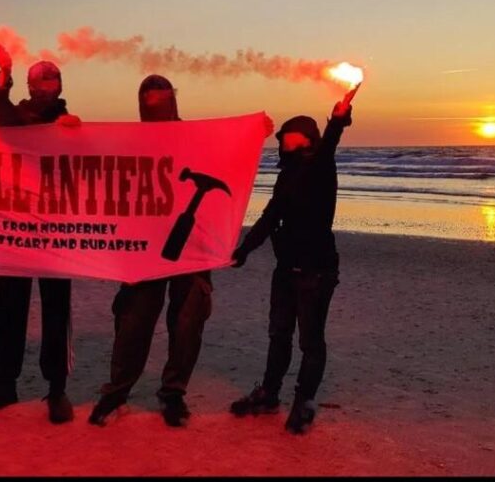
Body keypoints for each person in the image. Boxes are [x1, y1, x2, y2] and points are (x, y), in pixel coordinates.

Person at [0, 34, 80, 424]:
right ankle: (5, 383)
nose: (47, 86)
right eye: (40, 80)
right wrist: (3, 73)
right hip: (14, 226)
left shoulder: (71, 125)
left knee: (56, 308)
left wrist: (76, 135)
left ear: (60, 86)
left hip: (55, 230)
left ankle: (57, 389)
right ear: (29, 86)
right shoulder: (14, 119)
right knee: (10, 306)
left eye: (52, 79)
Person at [88, 75, 212, 428]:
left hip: (192, 244)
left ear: (173, 101)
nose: (155, 111)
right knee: (133, 321)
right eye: (148, 104)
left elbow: (229, 160)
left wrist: (252, 135)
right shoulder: (131, 141)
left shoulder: (198, 138)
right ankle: (117, 393)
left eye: (162, 103)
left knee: (187, 323)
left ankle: (173, 394)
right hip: (142, 246)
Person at [228, 96, 353, 434]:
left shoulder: (320, 166)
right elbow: (270, 217)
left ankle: (304, 402)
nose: (282, 139)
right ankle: (269, 394)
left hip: (316, 271)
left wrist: (338, 119)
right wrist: (244, 250)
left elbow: (329, 143)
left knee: (310, 341)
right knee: (279, 335)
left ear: (306, 138)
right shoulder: (286, 176)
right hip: (286, 270)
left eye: (289, 134)